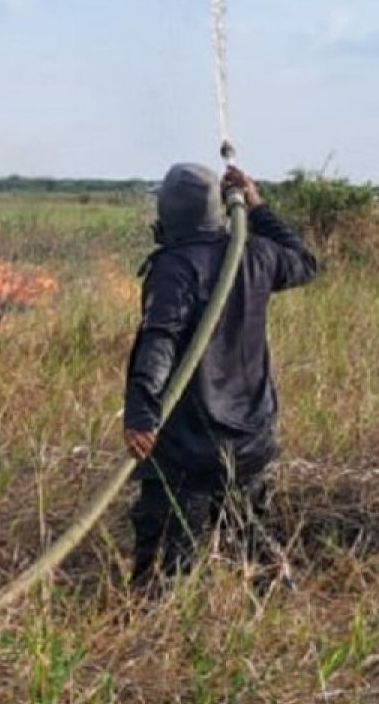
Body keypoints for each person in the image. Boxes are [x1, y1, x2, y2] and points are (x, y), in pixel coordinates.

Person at [123, 162, 317, 585]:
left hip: (186, 451)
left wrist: (141, 414)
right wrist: (257, 205)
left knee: (162, 573)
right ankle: (274, 611)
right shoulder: (257, 254)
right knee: (253, 550)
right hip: (250, 442)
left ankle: (156, 632)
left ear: (168, 215)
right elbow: (304, 262)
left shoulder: (174, 267)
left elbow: (159, 340)